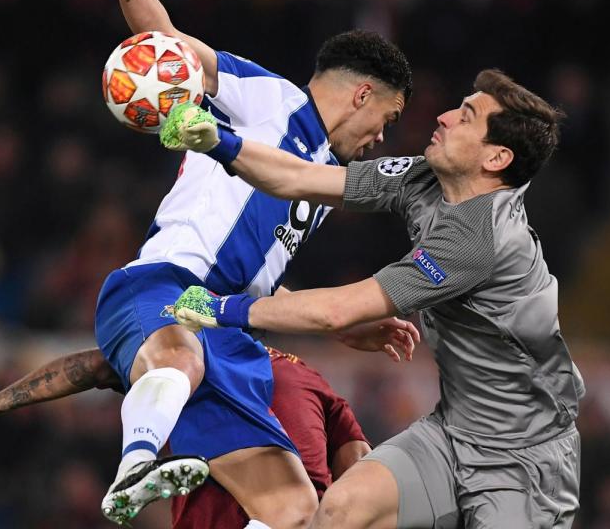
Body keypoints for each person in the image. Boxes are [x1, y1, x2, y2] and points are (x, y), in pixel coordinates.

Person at [163, 68, 583, 528]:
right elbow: (302, 178)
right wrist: (220, 144)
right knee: (342, 511)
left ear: (497, 157)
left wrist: (221, 308)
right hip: (451, 434)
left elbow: (337, 311)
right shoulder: (425, 178)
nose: (442, 117)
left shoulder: (482, 239)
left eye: (465, 117)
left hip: (523, 461)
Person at [80, 0, 415, 525]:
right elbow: (168, 41)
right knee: (178, 347)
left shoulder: (321, 188)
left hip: (227, 333)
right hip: (166, 288)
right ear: (362, 95)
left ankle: (150, 453)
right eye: (387, 116)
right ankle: (135, 464)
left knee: (295, 508)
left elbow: (263, 290)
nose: (382, 136)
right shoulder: (272, 101)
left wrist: (351, 331)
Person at [0, 346, 372, 529]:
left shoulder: (188, 359)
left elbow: (88, 368)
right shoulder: (310, 376)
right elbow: (359, 462)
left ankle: (136, 462)